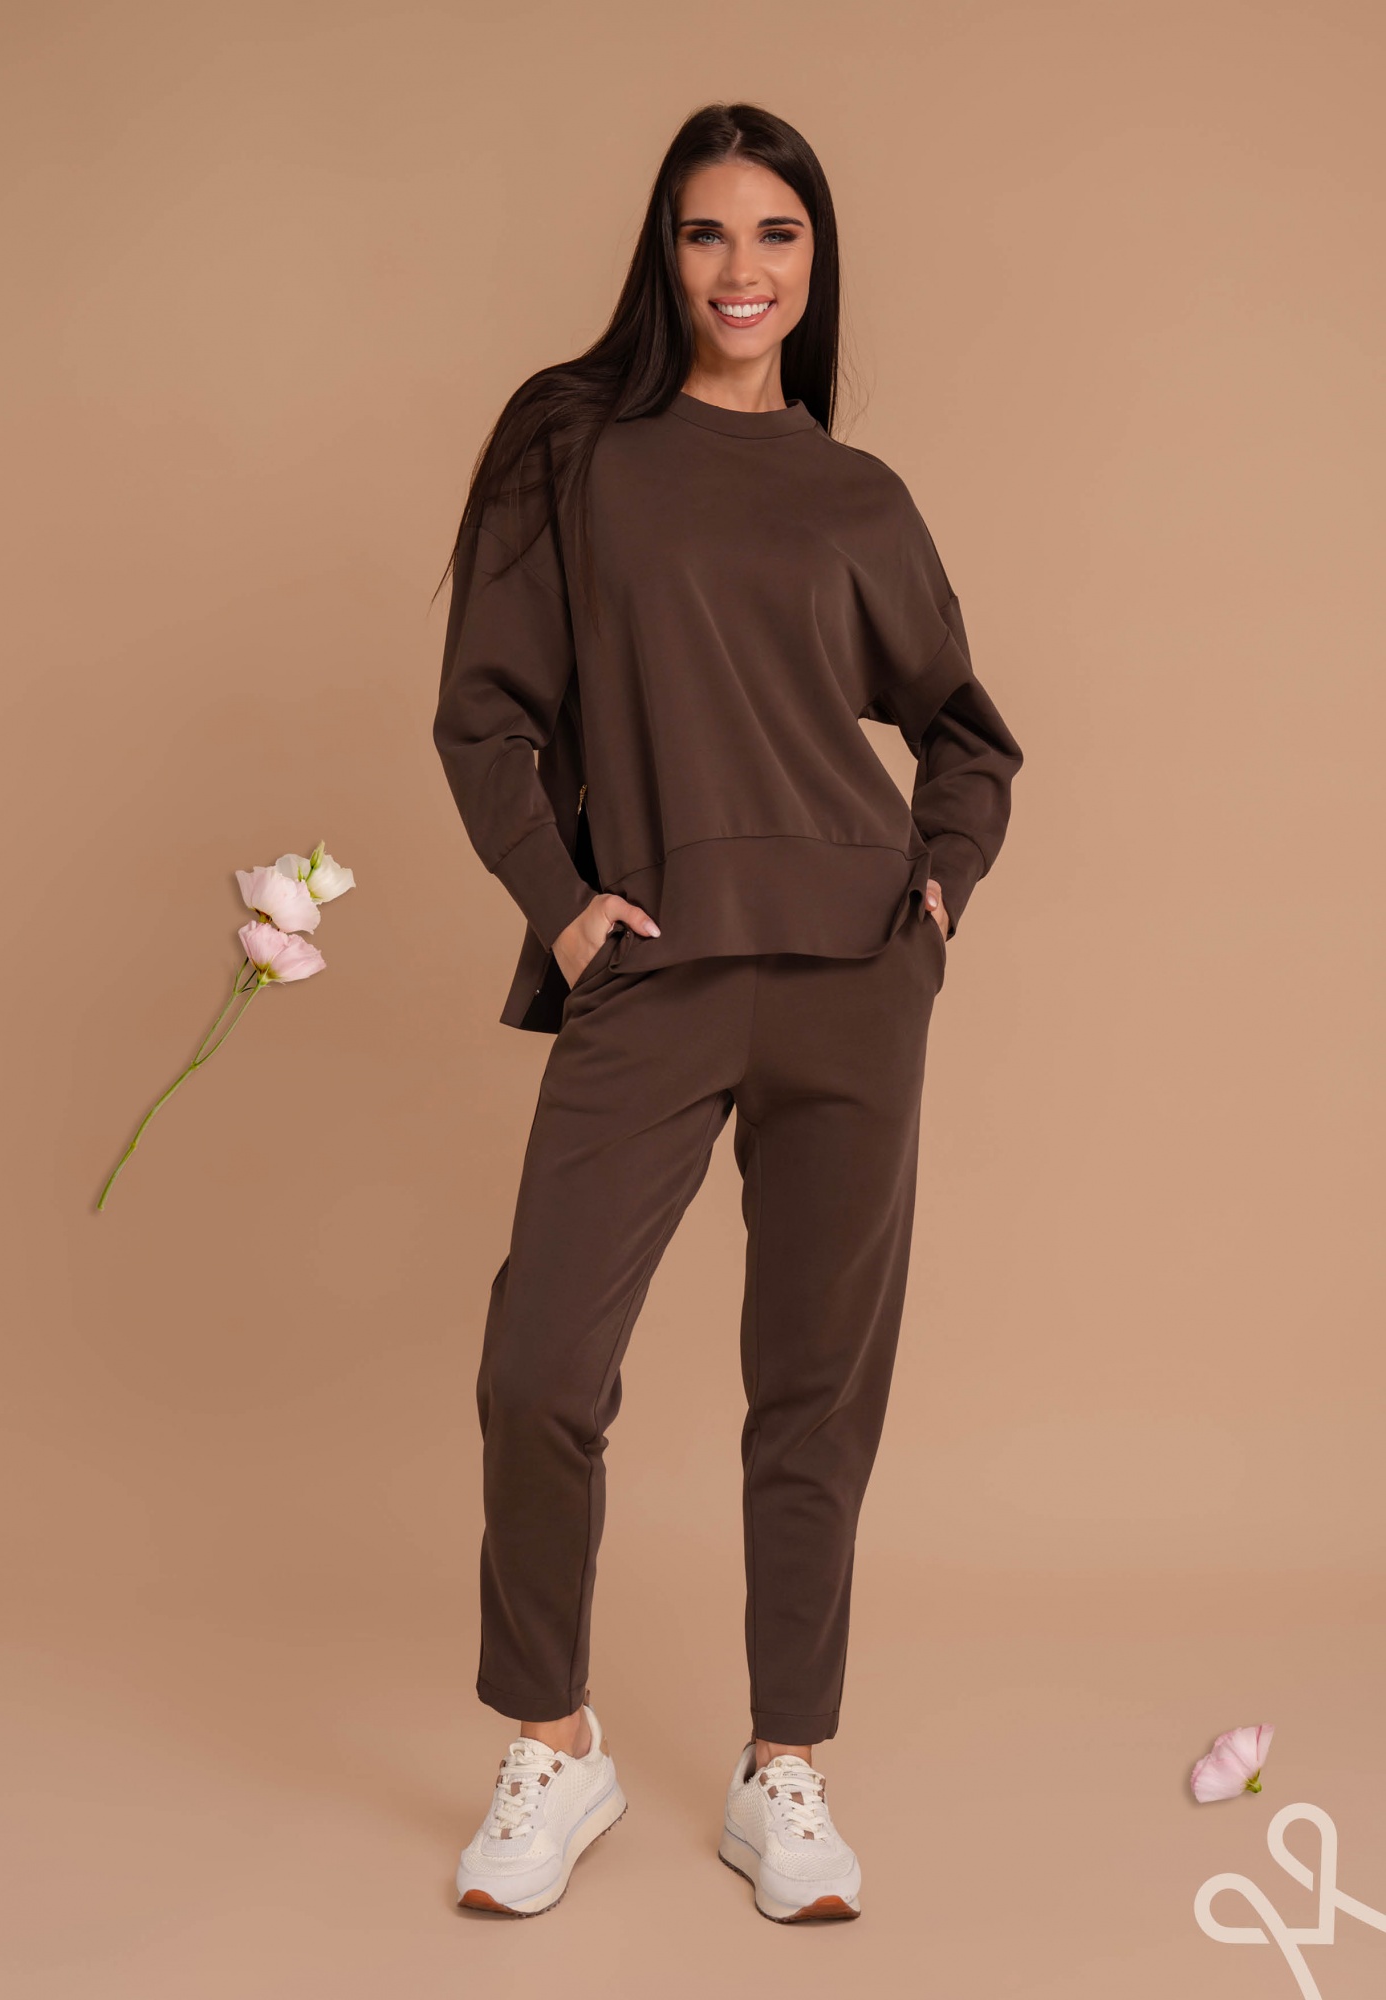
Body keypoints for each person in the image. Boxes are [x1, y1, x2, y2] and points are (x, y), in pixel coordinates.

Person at [432, 100, 1024, 1925]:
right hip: (654, 970)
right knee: (540, 1369)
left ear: (814, 260)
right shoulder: (571, 446)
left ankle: (787, 1770)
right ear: (663, 251)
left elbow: (966, 735)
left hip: (854, 978)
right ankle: (554, 1743)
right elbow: (483, 712)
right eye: (707, 232)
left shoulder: (858, 498)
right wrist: (564, 908)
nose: (741, 269)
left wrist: (938, 883)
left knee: (814, 1392)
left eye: (776, 234)